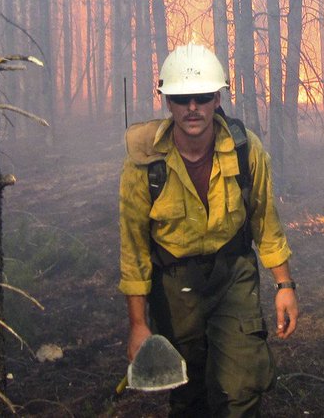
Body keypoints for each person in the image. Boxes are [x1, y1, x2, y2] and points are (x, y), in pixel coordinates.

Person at [119, 43, 299, 416]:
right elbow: (134, 249)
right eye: (182, 98)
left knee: (241, 386)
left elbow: (265, 220)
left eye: (202, 97)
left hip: (233, 275)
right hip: (174, 285)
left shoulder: (246, 150)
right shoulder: (143, 166)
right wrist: (138, 324)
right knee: (188, 392)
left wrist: (284, 286)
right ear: (167, 102)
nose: (192, 108)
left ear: (217, 99)